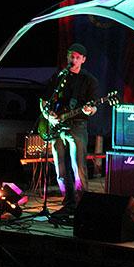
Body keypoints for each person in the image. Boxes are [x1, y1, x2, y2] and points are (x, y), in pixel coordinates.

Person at [40, 43, 99, 217]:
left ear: (83, 60)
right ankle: (68, 203)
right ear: (67, 57)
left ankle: (81, 206)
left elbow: (94, 106)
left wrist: (90, 110)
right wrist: (48, 115)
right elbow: (44, 100)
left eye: (77, 57)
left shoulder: (89, 80)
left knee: (78, 167)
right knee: (60, 168)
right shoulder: (58, 77)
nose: (74, 60)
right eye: (71, 56)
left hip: (77, 126)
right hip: (56, 126)